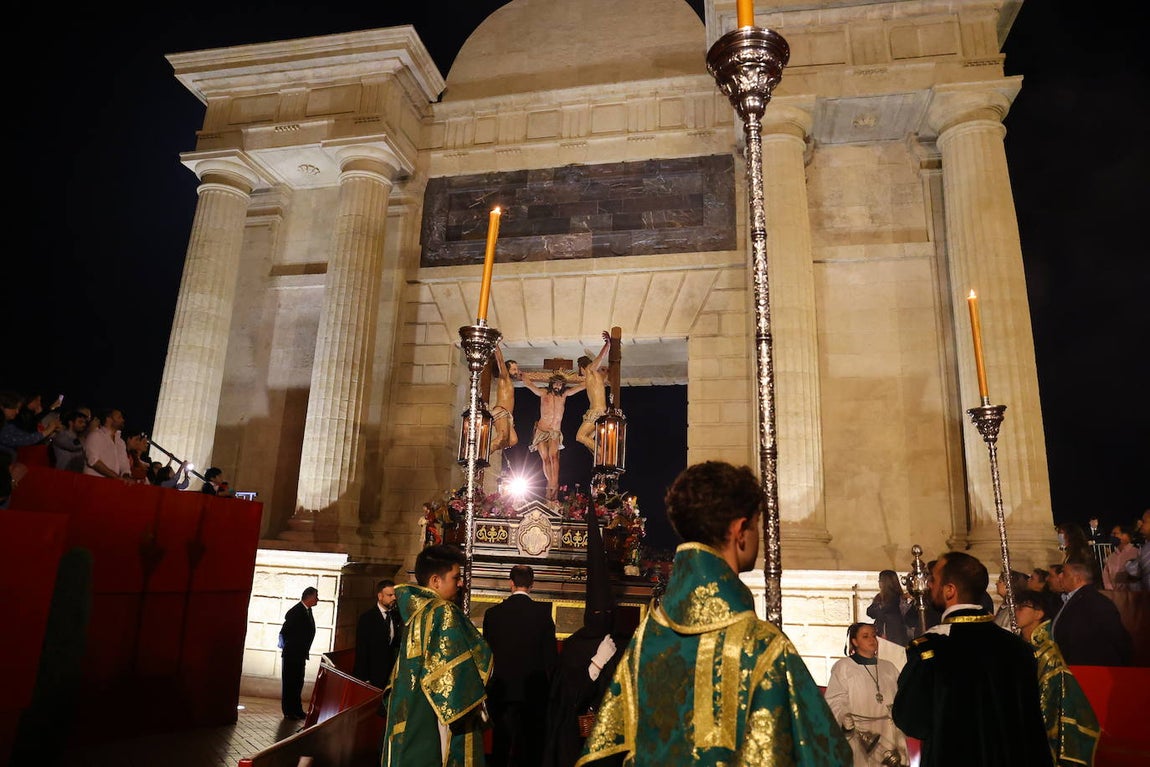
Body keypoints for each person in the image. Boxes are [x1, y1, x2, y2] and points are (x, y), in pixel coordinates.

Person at [577, 461, 850, 766]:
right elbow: (827, 755)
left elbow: (604, 750)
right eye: (756, 525)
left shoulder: (645, 643)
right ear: (739, 531)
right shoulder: (762, 647)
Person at [891, 551, 1051, 767]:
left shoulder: (932, 648)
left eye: (934, 580)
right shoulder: (1018, 647)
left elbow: (912, 719)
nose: (929, 586)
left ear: (950, 590)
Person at [382, 543, 492, 767]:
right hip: (436, 713)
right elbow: (456, 672)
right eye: (455, 577)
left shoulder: (415, 612)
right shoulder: (443, 610)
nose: (461, 583)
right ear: (435, 581)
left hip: (411, 706)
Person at [542, 498, 620, 767]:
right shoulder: (576, 646)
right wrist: (596, 664)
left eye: (606, 615)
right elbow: (565, 699)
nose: (602, 619)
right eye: (597, 615)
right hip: (576, 742)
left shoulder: (619, 642)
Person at [1014, 589, 1100, 766]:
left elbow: (1047, 699)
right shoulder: (1021, 646)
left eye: (1023, 607)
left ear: (1039, 613)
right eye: (1016, 606)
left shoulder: (1047, 653)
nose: (1016, 610)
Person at [483, 564, 558, 767]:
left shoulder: (493, 614)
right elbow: (550, 658)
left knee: (501, 744)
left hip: (501, 690)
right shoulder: (543, 615)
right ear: (532, 585)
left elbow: (486, 655)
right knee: (530, 746)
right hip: (533, 692)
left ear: (511, 583)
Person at [824, 622, 908, 767]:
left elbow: (901, 696)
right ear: (854, 642)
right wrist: (843, 716)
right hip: (861, 735)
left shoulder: (889, 667)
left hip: (889, 733)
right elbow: (835, 699)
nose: (872, 640)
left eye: (874, 636)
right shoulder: (844, 667)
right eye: (865, 636)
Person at [1050, 561, 1132, 666]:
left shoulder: (1095, 602)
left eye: (1064, 574)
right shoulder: (1068, 599)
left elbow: (1117, 637)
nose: (1060, 576)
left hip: (1089, 669)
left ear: (1077, 578)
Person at [524, 373, 586, 501]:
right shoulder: (543, 393)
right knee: (545, 458)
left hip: (554, 431)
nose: (558, 386)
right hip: (541, 430)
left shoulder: (564, 395)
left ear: (563, 385)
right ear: (551, 384)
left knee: (553, 456)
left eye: (560, 383)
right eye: (556, 383)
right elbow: (529, 385)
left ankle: (554, 483)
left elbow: (581, 387)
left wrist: (590, 377)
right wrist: (522, 375)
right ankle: (550, 483)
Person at [279, 585, 319, 720]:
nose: (317, 600)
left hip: (300, 654)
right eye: (316, 597)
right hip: (292, 654)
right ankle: (288, 711)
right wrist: (291, 646)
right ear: (309, 597)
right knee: (290, 682)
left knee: (298, 682)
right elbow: (285, 631)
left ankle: (297, 709)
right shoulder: (296, 611)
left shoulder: (308, 610)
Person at [354, 579, 402, 689]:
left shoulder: (396, 616)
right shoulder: (367, 618)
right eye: (390, 595)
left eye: (395, 595)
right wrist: (364, 679)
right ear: (380, 596)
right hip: (372, 677)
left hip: (390, 678)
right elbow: (362, 650)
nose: (394, 598)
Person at [575, 331, 611, 454]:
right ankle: (600, 459)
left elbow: (600, 358)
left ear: (581, 367)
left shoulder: (590, 370)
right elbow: (605, 378)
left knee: (580, 436)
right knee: (589, 439)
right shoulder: (597, 378)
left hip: (596, 412)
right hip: (599, 411)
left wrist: (607, 344)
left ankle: (603, 455)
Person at [82, 408, 132, 480]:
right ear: (108, 418)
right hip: (93, 483)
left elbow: (124, 463)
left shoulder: (120, 442)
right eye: (119, 417)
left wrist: (126, 475)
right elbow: (93, 461)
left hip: (112, 485)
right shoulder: (95, 435)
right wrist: (116, 477)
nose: (123, 420)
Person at [866, 569, 911, 646]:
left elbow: (880, 614)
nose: (878, 583)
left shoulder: (896, 599)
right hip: (889, 635)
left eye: (880, 580)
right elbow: (870, 612)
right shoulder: (880, 598)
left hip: (892, 636)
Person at [490, 345, 521, 452]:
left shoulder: (509, 382)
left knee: (512, 440)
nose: (517, 371)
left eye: (517, 369)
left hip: (507, 415)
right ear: (507, 370)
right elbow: (500, 360)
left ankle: (486, 451)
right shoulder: (504, 377)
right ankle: (479, 456)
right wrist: (496, 345)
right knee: (501, 438)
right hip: (501, 411)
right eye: (514, 369)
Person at [1102, 524, 1139, 590]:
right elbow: (1106, 576)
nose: (1112, 536)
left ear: (1126, 536)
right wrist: (1111, 591)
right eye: (1112, 534)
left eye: (1115, 533)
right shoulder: (1111, 557)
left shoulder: (1136, 553)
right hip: (1115, 596)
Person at [1123, 508, 1150, 591]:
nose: (1141, 525)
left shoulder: (1147, 549)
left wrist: (1127, 563)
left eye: (1144, 521)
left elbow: (1132, 570)